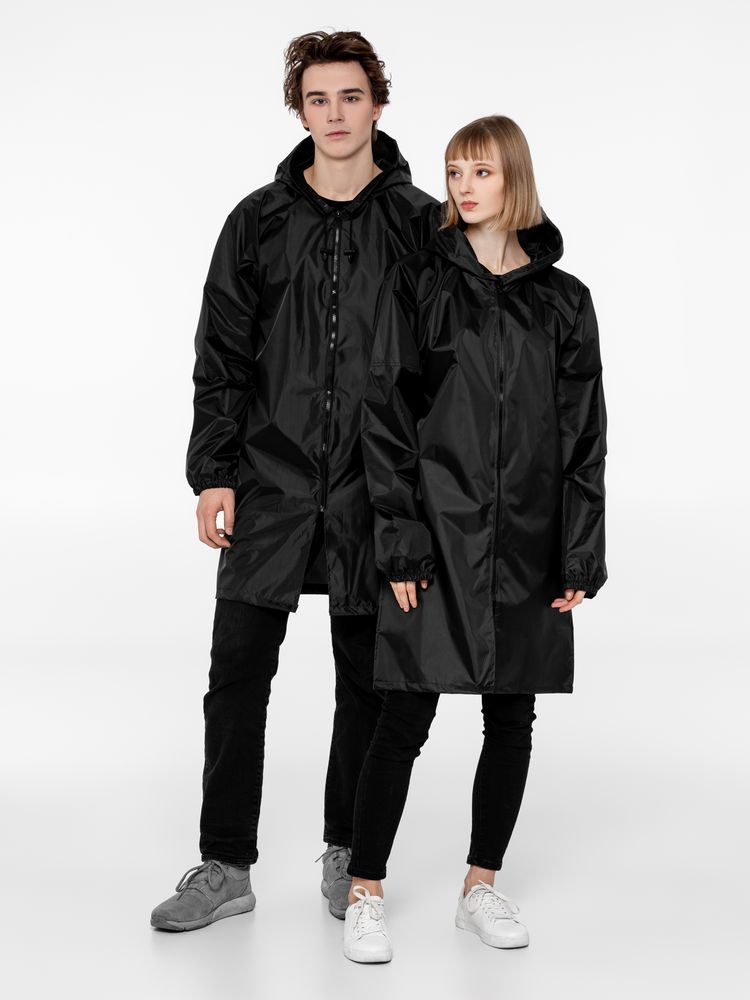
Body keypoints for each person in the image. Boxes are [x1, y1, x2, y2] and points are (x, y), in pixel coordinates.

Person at [150, 30, 440, 932]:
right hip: (269, 481)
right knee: (237, 674)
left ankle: (350, 849)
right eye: (318, 99)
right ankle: (224, 864)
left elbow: (449, 366)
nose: (335, 114)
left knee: (370, 679)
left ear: (378, 104)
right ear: (300, 110)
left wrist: (431, 495)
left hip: (377, 488)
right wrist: (213, 472)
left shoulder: (423, 224)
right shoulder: (258, 220)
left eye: (351, 96)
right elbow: (222, 352)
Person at [341, 115, 607, 963]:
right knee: (402, 715)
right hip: (438, 534)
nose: (463, 185)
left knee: (512, 718)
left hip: (527, 539)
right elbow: (386, 417)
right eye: (455, 170)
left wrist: (580, 549)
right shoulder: (420, 284)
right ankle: (365, 890)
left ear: (514, 178)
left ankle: (480, 886)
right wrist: (400, 538)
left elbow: (584, 435)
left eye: (481, 171)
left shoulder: (564, 301)